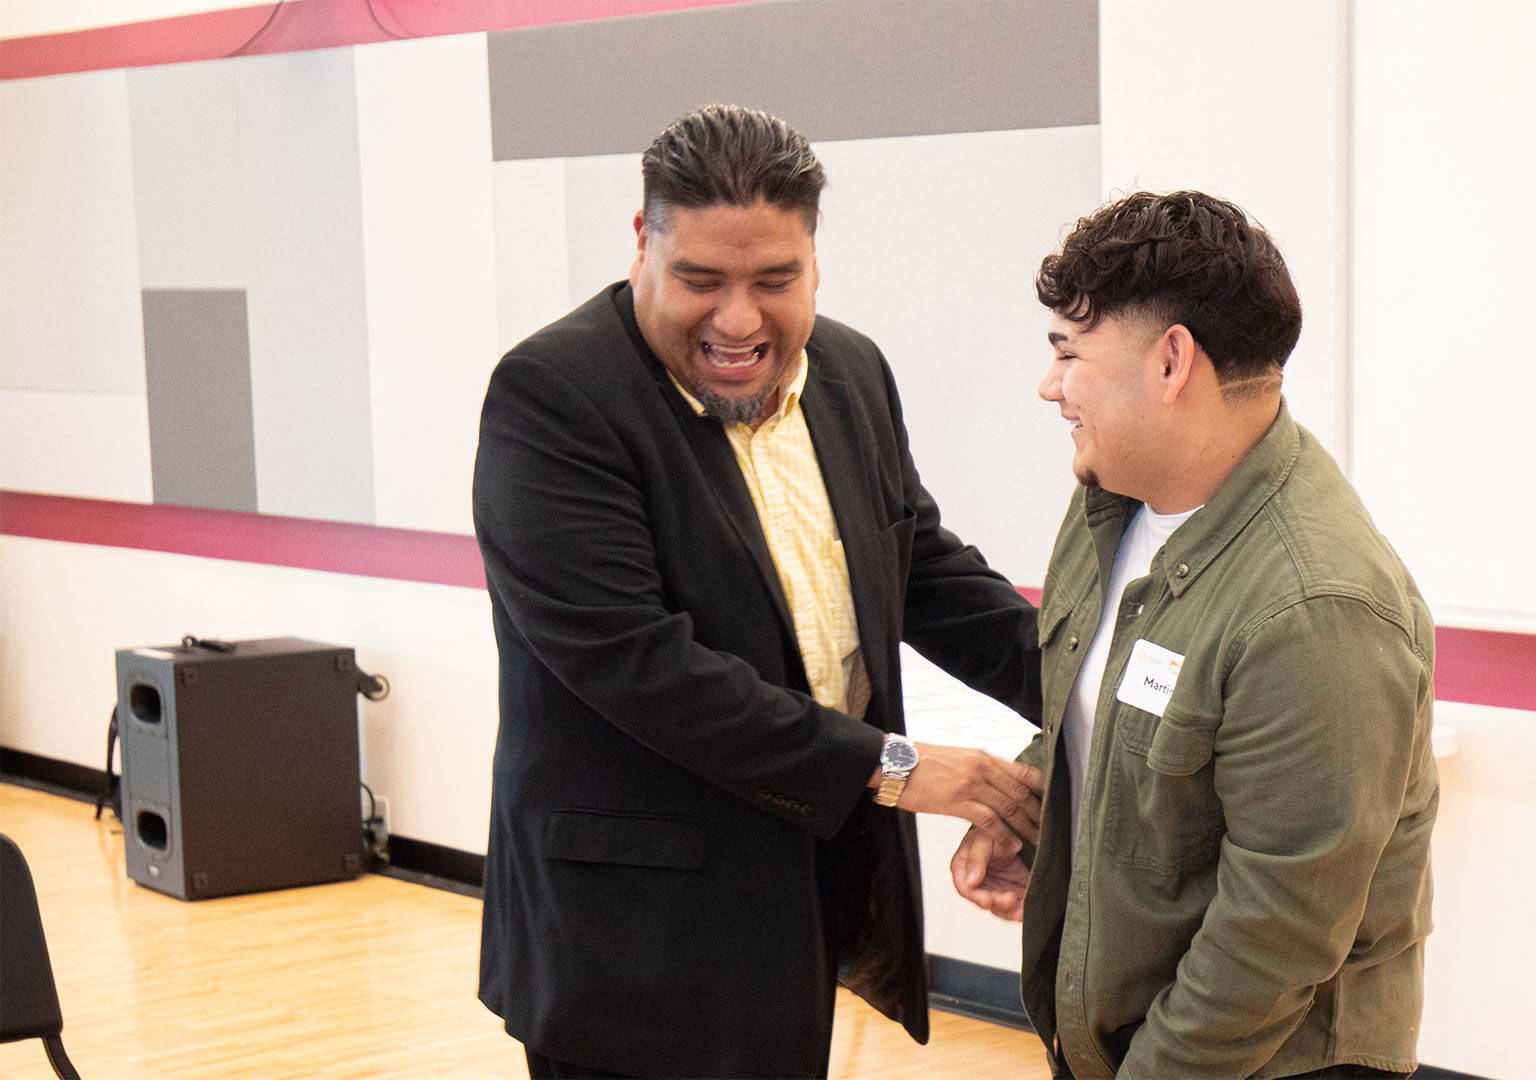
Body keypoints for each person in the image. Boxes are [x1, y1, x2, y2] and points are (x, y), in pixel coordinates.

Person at [473, 104, 1044, 1079]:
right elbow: (642, 667)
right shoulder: (554, 395)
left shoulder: (850, 371)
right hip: (632, 937)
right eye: (702, 280)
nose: (738, 319)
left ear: (814, 261)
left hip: (799, 900)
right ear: (642, 245)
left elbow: (922, 571)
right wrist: (904, 766)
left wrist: (1087, 687)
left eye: (774, 280)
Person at [952, 190, 1439, 1079]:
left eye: (1068, 353)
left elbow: (1277, 932)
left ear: (1173, 360)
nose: (1049, 385)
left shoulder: (1316, 608)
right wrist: (1033, 797)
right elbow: (1114, 700)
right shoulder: (1110, 503)